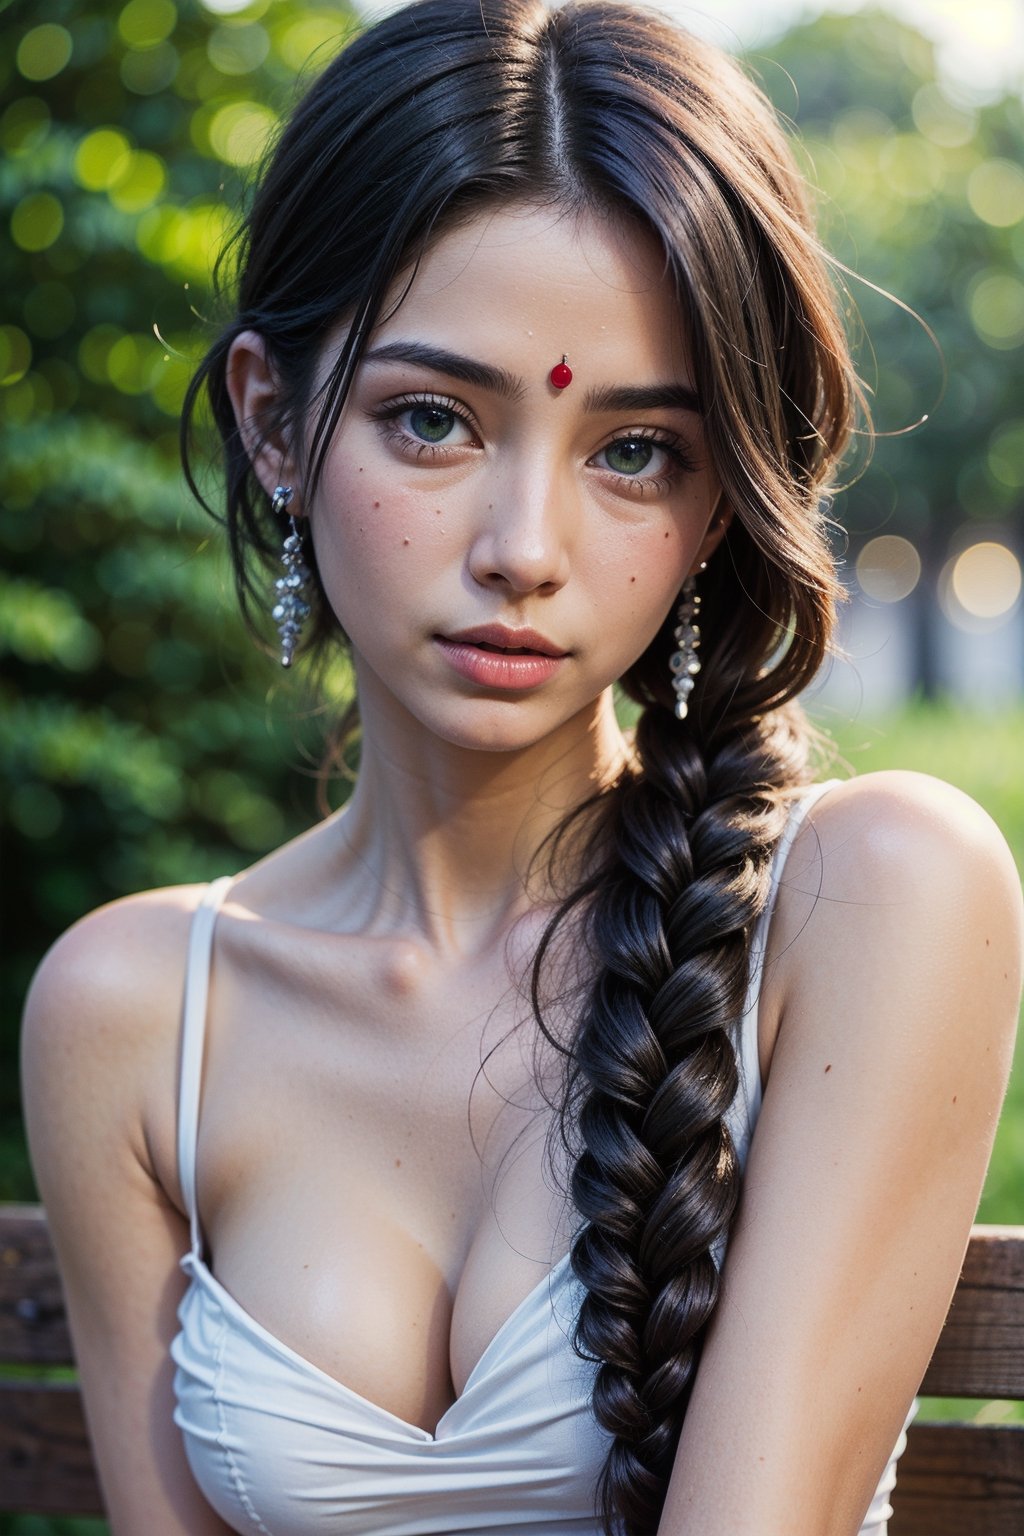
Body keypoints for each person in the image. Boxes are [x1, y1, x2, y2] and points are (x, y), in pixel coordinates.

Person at [21, 2, 1022, 1533]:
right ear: (275, 426)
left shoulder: (872, 898)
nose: (525, 553)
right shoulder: (138, 1017)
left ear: (715, 499)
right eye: (432, 421)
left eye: (636, 453)